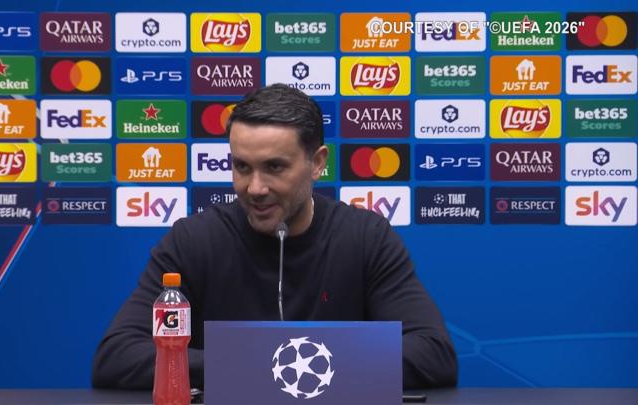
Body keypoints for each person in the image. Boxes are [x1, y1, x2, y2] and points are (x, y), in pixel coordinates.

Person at [92, 84, 458, 390]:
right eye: (242, 166)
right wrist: (265, 362)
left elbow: (433, 354)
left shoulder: (366, 238)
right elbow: (117, 357)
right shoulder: (194, 241)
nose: (255, 188)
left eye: (274, 167)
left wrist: (295, 364)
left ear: (317, 162)